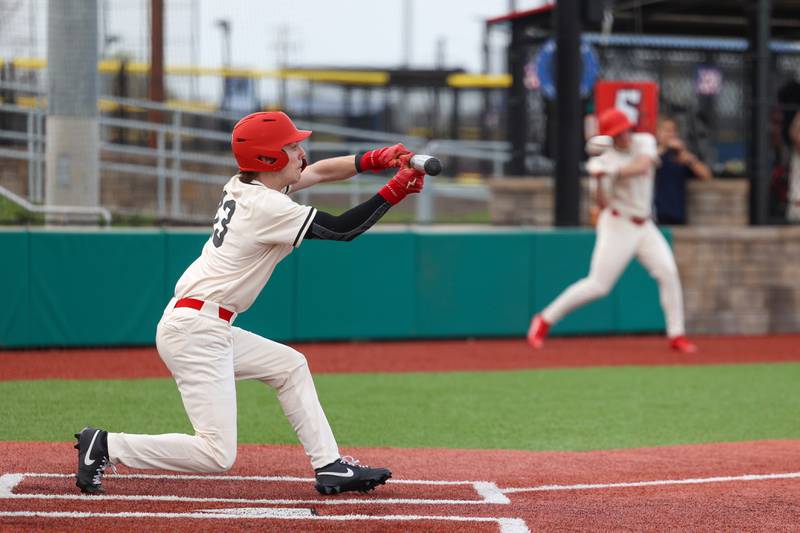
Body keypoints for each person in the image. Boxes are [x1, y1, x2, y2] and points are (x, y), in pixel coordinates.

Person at [74, 111, 426, 496]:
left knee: (290, 366)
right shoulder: (265, 206)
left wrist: (376, 159)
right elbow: (343, 230)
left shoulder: (248, 187)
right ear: (269, 159)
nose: (301, 152)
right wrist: (396, 189)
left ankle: (330, 466)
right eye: (291, 147)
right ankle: (107, 446)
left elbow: (321, 172)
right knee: (216, 454)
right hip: (196, 330)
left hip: (205, 323)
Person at [528, 107, 697, 354]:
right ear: (609, 136)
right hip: (618, 224)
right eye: (617, 133)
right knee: (598, 285)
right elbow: (602, 204)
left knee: (668, 272)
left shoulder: (644, 142)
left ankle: (676, 334)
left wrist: (613, 172)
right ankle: (543, 320)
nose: (624, 136)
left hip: (645, 225)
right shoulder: (603, 160)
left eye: (625, 130)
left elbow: (642, 166)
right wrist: (598, 179)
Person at [653, 115, 712, 225]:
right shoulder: (651, 152)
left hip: (676, 215)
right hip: (653, 215)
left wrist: (689, 158)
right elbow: (646, 164)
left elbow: (706, 175)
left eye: (673, 131)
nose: (670, 134)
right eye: (666, 130)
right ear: (657, 133)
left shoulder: (680, 155)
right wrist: (663, 148)